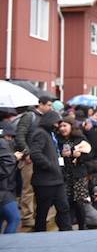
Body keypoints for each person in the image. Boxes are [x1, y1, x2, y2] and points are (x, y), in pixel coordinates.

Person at [28, 110, 72, 232]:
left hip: (56, 180)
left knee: (63, 208)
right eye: (56, 123)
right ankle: (40, 236)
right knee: (42, 212)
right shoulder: (40, 134)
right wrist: (50, 166)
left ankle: (66, 232)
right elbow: (35, 153)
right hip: (45, 182)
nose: (57, 126)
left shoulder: (49, 134)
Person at [14, 95, 53, 229]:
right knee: (28, 188)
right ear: (40, 104)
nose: (50, 107)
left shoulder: (46, 118)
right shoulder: (29, 116)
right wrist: (27, 152)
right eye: (48, 105)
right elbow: (20, 135)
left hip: (42, 158)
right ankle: (27, 217)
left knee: (42, 187)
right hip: (29, 159)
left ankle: (40, 215)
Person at [57, 116, 93, 230]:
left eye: (65, 126)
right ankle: (66, 227)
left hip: (78, 175)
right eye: (61, 126)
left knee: (79, 202)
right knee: (66, 202)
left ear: (71, 126)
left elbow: (90, 155)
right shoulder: (57, 140)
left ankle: (82, 226)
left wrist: (79, 156)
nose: (62, 128)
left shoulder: (80, 138)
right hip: (64, 175)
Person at [0, 121, 22, 234]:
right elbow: (4, 169)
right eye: (9, 136)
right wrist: (13, 158)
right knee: (14, 218)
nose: (10, 139)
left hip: (6, 190)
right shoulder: (2, 143)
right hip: (4, 191)